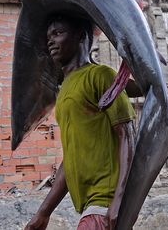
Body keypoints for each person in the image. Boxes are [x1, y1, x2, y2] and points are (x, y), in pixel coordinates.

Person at [25, 14, 136, 230]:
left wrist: (118, 199)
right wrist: (43, 214)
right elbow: (71, 158)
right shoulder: (65, 88)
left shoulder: (100, 75)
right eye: (49, 36)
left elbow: (127, 134)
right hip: (89, 205)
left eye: (58, 33)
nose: (50, 41)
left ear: (80, 36)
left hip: (105, 199)